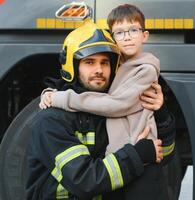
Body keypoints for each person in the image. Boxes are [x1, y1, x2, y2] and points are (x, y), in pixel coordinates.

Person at [26, 20, 175, 200]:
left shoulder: (111, 109)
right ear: (72, 66)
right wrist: (136, 155)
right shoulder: (52, 119)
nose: (99, 70)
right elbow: (85, 181)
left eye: (105, 62)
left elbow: (163, 155)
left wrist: (158, 112)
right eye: (89, 62)